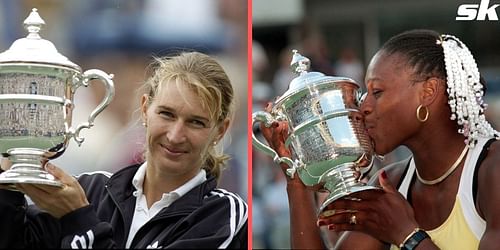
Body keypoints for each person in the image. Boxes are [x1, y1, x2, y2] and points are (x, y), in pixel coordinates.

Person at [260, 29, 500, 249]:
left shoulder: (493, 170)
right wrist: (296, 179)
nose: (363, 106)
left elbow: (405, 233)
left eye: (377, 92)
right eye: (365, 94)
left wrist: (407, 235)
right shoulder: (391, 184)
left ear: (428, 92)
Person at [0, 51, 248, 248]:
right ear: (144, 109)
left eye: (196, 122)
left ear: (220, 130)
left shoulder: (224, 217)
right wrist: (6, 181)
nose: (175, 136)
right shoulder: (92, 190)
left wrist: (78, 218)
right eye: (166, 114)